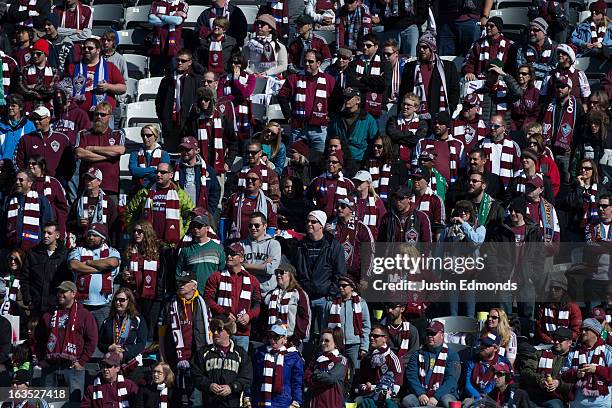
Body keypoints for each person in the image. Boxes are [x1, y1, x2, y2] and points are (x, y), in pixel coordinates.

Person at [36, 281, 98, 403]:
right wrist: (41, 358)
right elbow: (39, 338)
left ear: (73, 293)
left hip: (73, 367)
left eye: (64, 291)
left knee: (74, 403)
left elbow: (92, 340)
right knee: (48, 403)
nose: (60, 294)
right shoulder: (48, 315)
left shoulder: (84, 315)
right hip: (50, 366)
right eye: (59, 291)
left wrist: (82, 361)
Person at [293, 210, 346, 337]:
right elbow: (296, 269)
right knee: (304, 336)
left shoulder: (333, 246)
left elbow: (340, 273)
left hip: (324, 298)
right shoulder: (300, 246)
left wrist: (331, 294)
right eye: (308, 221)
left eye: (313, 222)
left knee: (325, 335)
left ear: (321, 225)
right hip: (305, 298)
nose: (309, 224)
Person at [204, 242, 261, 352]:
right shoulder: (216, 276)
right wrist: (224, 313)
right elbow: (207, 299)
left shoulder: (252, 280)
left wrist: (248, 315)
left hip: (242, 331)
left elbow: (257, 305)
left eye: (233, 254)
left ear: (241, 258)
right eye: (228, 253)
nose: (229, 256)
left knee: (239, 364)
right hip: (221, 329)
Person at [278, 49, 335, 153]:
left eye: (310, 61)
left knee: (318, 161)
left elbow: (337, 99)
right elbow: (282, 97)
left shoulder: (329, 80)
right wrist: (288, 117)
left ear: (318, 63)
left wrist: (330, 115)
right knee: (295, 161)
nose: (307, 64)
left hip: (319, 129)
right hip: (298, 128)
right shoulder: (294, 78)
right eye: (305, 61)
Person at [125, 162, 195, 245]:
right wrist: (133, 231)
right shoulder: (144, 193)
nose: (158, 174)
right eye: (157, 172)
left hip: (172, 245)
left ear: (171, 175)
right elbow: (129, 212)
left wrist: (183, 233)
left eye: (162, 172)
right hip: (148, 243)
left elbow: (192, 214)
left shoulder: (180, 194)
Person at [191, 316, 253, 408]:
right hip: (209, 404)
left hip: (232, 403)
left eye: (219, 329)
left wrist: (232, 387)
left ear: (228, 331)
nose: (215, 333)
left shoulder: (240, 353)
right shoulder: (203, 352)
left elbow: (247, 378)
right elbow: (195, 374)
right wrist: (209, 385)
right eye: (213, 329)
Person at [438, 200, 485, 317]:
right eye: (460, 211)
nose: (463, 213)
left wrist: (463, 224)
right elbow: (439, 249)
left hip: (470, 274)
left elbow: (476, 241)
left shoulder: (479, 228)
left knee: (470, 309)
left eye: (466, 211)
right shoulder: (448, 228)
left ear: (471, 213)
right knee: (452, 310)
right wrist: (437, 271)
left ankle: (470, 333)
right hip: (452, 273)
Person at [68, 223, 120, 327]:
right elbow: (74, 265)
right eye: (89, 235)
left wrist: (88, 263)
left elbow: (112, 263)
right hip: (82, 303)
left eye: (95, 235)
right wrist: (100, 269)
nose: (91, 237)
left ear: (103, 238)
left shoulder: (111, 251)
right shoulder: (78, 250)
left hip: (103, 304)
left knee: (103, 335)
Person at [398, 32, 459, 118]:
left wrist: (450, 109)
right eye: (420, 47)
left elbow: (454, 91)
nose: (421, 50)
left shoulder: (448, 67)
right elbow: (403, 92)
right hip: (415, 115)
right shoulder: (410, 67)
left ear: (432, 48)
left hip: (439, 115)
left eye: (425, 47)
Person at [158, 270, 212, 367]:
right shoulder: (169, 304)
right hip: (174, 356)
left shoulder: (203, 305)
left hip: (198, 356)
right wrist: (162, 356)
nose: (181, 285)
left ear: (194, 286)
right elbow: (161, 332)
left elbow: (209, 332)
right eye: (180, 282)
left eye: (185, 282)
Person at [74, 102, 126, 202]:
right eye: (96, 114)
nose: (98, 117)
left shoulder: (117, 134)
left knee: (110, 216)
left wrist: (92, 148)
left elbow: (119, 150)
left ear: (109, 117)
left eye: (102, 114)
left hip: (109, 186)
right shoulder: (83, 134)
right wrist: (107, 156)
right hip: (87, 187)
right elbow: (79, 153)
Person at [122, 220, 165, 341]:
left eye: (140, 231)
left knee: (151, 326)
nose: (136, 234)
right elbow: (124, 270)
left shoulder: (159, 250)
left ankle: (150, 354)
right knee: (137, 325)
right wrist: (123, 275)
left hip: (153, 295)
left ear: (147, 232)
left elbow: (163, 273)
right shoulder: (130, 249)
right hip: (135, 293)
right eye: (134, 231)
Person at [402, 321, 459, 408]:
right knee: (407, 401)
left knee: (447, 402)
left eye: (433, 333)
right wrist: (420, 393)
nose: (429, 336)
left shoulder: (452, 355)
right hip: (422, 393)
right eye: (428, 333)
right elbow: (411, 376)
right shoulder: (417, 354)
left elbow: (451, 380)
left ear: (442, 335)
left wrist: (436, 396)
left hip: (444, 394)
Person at [246, 322, 303, 408]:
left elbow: (297, 382)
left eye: (276, 337)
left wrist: (296, 401)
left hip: (283, 402)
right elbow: (253, 378)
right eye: (270, 336)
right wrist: (248, 396)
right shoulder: (260, 353)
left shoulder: (293, 357)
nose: (272, 340)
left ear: (284, 339)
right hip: (261, 400)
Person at [541, 75, 586, 184]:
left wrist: (572, 145)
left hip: (565, 151)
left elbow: (581, 128)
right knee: (545, 177)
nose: (560, 89)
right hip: (548, 148)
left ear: (569, 89)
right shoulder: (548, 104)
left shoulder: (577, 106)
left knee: (564, 179)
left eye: (563, 86)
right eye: (558, 86)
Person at [21, 221, 70, 318]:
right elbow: (24, 278)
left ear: (57, 235)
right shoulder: (33, 253)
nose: (45, 235)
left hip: (56, 306)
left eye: (49, 233)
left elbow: (69, 280)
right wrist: (28, 299)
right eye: (44, 232)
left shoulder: (64, 255)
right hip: (36, 306)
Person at [66, 37, 126, 116]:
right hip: (78, 114)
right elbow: (65, 86)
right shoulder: (73, 67)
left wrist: (108, 87)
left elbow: (123, 88)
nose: (86, 50)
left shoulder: (109, 67)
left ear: (98, 50)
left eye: (90, 48)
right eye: (84, 48)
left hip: (103, 115)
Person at [155, 48, 201, 152]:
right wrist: (164, 118)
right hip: (170, 124)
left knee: (188, 155)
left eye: (183, 61)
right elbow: (159, 102)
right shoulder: (167, 80)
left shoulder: (196, 80)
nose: (179, 63)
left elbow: (199, 101)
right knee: (171, 155)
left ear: (190, 62)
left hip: (189, 125)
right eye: (178, 60)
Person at [560, 318, 612, 408]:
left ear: (596, 332)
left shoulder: (607, 351)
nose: (582, 332)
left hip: (601, 404)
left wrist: (596, 369)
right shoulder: (574, 352)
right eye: (581, 329)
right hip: (576, 403)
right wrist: (576, 373)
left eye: (586, 329)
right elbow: (563, 375)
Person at [15, 106, 73, 180]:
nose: (36, 121)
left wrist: (63, 180)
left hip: (55, 184)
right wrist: (27, 178)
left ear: (48, 118)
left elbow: (70, 163)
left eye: (39, 118)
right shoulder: (26, 139)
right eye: (34, 119)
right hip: (32, 184)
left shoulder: (62, 139)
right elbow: (17, 161)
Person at [1, 169, 54, 251]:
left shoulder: (41, 200)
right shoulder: (8, 200)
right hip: (12, 250)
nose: (17, 182)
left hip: (35, 250)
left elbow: (48, 225)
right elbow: (3, 226)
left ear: (30, 183)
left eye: (21, 180)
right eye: (16, 180)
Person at [521, 326, 573, 408]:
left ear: (569, 342)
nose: (556, 342)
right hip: (535, 394)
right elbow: (525, 371)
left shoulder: (574, 358)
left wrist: (559, 383)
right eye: (555, 338)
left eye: (560, 340)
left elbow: (576, 383)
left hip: (557, 398)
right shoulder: (540, 353)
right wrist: (540, 380)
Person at [221, 168, 277, 241]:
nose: (250, 181)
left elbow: (272, 225)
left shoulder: (267, 202)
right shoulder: (234, 198)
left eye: (253, 179)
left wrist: (265, 241)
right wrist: (222, 240)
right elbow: (224, 219)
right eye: (247, 179)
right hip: (236, 241)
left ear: (260, 183)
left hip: (258, 243)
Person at [172, 135, 222, 218]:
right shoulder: (175, 169)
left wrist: (208, 211)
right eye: (182, 149)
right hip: (180, 215)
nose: (185, 152)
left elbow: (215, 191)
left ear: (197, 150)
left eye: (188, 149)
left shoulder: (208, 170)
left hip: (201, 215)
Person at [264, 262, 311, 348]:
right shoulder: (271, 294)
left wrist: (297, 338)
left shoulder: (299, 293)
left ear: (290, 275)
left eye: (281, 272)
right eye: (277, 272)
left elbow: (305, 317)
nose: (278, 275)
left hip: (291, 340)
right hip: (272, 340)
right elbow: (264, 317)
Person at [68, 167, 119, 246]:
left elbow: (113, 227)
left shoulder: (108, 202)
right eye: (86, 179)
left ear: (99, 181)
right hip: (83, 243)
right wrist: (78, 223)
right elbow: (69, 223)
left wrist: (113, 245)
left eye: (91, 179)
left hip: (103, 244)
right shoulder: (78, 201)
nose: (88, 182)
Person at [176, 212, 225, 292]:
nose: (196, 228)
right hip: (191, 295)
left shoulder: (218, 248)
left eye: (199, 226)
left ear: (207, 228)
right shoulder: (185, 249)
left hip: (212, 294)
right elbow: (178, 272)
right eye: (193, 226)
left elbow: (222, 272)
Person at [98, 288, 148, 366]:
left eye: (121, 300)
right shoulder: (108, 321)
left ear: (129, 301)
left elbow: (141, 344)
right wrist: (109, 347)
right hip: (111, 362)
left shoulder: (138, 320)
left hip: (132, 362)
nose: (118, 302)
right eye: (116, 299)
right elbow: (100, 343)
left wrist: (124, 353)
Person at [328, 87, 379, 162]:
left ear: (358, 100)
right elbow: (330, 137)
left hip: (359, 161)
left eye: (349, 98)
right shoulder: (337, 119)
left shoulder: (368, 119)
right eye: (345, 97)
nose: (346, 100)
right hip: (340, 161)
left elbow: (374, 141)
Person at [345, 33, 390, 119]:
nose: (365, 47)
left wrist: (362, 79)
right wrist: (375, 81)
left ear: (376, 47)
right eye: (363, 45)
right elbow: (351, 82)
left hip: (379, 107)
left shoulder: (385, 64)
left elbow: (384, 84)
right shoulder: (354, 63)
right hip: (359, 107)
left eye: (368, 45)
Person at [414, 111, 465, 185]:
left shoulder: (458, 144)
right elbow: (415, 165)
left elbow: (462, 169)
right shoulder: (422, 142)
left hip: (451, 188)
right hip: (428, 187)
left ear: (447, 125)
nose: (437, 125)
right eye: (435, 123)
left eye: (441, 123)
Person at [356, 325, 403, 404]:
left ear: (384, 339)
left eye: (375, 336)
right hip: (368, 396)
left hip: (388, 398)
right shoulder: (366, 358)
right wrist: (364, 387)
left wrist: (373, 387)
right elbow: (361, 382)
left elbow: (396, 387)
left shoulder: (393, 359)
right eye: (370, 335)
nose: (371, 338)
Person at [303, 328, 349, 408]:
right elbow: (306, 377)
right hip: (315, 403)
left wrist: (315, 374)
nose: (323, 343)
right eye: (321, 341)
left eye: (327, 341)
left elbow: (331, 378)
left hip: (332, 404)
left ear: (335, 343)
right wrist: (321, 377)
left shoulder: (341, 359)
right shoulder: (316, 358)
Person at [464, 333, 512, 406]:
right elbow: (468, 383)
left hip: (493, 399)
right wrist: (478, 397)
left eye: (487, 345)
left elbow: (506, 384)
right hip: (473, 397)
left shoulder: (503, 362)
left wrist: (485, 397)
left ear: (495, 348)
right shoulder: (472, 361)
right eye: (482, 343)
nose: (482, 347)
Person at [241, 211, 281, 297]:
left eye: (256, 225)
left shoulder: (273, 244)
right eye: (250, 225)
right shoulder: (241, 244)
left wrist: (246, 266)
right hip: (247, 291)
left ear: (265, 226)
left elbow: (271, 269)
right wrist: (263, 265)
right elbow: (237, 267)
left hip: (268, 293)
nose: (253, 228)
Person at [28, 155, 69, 239]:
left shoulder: (53, 183)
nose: (30, 165)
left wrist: (60, 228)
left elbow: (62, 208)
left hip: (50, 224)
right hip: (30, 224)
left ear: (42, 166)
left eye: (34, 163)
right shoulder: (25, 182)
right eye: (29, 163)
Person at [217, 53, 255, 143]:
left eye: (237, 63)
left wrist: (236, 80)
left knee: (244, 144)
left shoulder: (250, 77)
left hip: (243, 115)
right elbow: (220, 98)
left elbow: (245, 94)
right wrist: (233, 97)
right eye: (232, 62)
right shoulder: (224, 78)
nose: (234, 65)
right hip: (228, 113)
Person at [472, 59, 523, 125]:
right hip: (482, 130)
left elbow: (518, 93)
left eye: (493, 72)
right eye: (488, 72)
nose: (490, 75)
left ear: (499, 74)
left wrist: (505, 75)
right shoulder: (478, 91)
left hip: (501, 130)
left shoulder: (506, 92)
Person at [307, 150, 356, 218]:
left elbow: (353, 203)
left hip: (339, 221)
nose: (330, 164)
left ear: (340, 165)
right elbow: (306, 198)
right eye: (328, 162)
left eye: (334, 162)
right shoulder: (318, 180)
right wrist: (315, 210)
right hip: (321, 220)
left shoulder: (347, 183)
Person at [477, 114, 521, 188]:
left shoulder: (513, 146)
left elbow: (517, 170)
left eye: (496, 126)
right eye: (490, 125)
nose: (492, 128)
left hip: (505, 187)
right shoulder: (481, 144)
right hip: (485, 185)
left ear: (504, 128)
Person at [535, 276, 583, 344]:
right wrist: (550, 340)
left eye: (557, 288)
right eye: (551, 288)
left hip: (566, 344)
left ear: (563, 291)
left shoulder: (573, 307)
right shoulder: (544, 306)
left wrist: (563, 341)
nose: (553, 290)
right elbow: (539, 328)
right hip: (547, 342)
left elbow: (576, 331)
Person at [16, 39, 59, 112]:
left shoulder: (54, 71)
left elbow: (52, 90)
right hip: (29, 108)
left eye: (38, 54)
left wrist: (33, 86)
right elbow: (21, 89)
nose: (35, 56)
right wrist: (44, 88)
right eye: (33, 54)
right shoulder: (25, 70)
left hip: (48, 108)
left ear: (45, 54)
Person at [386, 93, 428, 167]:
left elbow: (417, 140)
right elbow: (392, 135)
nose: (405, 107)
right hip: (395, 161)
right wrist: (409, 134)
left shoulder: (422, 123)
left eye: (408, 105)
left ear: (416, 108)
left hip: (414, 162)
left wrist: (398, 138)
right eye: (404, 104)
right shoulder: (393, 120)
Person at [584, 194, 612, 308]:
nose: (600, 209)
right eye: (599, 205)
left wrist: (601, 242)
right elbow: (591, 246)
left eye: (604, 206)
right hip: (595, 279)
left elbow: (597, 245)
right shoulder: (591, 225)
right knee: (594, 316)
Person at [147, 0, 189, 76]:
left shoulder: (182, 4)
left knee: (173, 76)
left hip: (173, 47)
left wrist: (161, 16)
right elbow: (151, 19)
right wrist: (170, 19)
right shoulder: (156, 2)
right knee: (155, 76)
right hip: (157, 47)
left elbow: (177, 21)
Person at [517, 17, 557, 89]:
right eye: (530, 30)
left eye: (535, 30)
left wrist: (533, 66)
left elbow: (554, 70)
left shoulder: (555, 48)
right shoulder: (523, 47)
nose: (531, 32)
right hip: (528, 85)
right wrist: (543, 69)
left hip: (547, 85)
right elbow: (521, 68)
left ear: (544, 32)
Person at [128, 124, 170, 189]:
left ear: (155, 136)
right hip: (138, 188)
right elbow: (133, 171)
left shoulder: (164, 154)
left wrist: (141, 172)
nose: (145, 137)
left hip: (157, 188)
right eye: (143, 135)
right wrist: (154, 170)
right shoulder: (135, 153)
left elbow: (163, 173)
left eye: (148, 135)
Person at [380, 303, 420, 367]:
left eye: (393, 307)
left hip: (404, 367)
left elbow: (414, 353)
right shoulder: (380, 329)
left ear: (402, 309)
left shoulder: (411, 330)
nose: (389, 310)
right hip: (383, 365)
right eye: (388, 307)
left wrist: (397, 362)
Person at [411, 166, 446, 237]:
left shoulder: (435, 200)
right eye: (414, 178)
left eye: (419, 178)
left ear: (427, 181)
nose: (415, 181)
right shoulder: (407, 198)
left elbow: (439, 227)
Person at [0, 95, 35, 162]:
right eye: (9, 105)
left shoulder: (29, 126)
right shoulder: (1, 124)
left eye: (13, 105)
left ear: (21, 108)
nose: (10, 108)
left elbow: (33, 148)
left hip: (22, 166)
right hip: (3, 165)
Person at [511, 64, 540, 131]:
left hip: (528, 127)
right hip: (512, 126)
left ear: (530, 76)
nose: (520, 76)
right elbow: (508, 112)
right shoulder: (511, 91)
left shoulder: (536, 93)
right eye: (519, 73)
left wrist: (526, 125)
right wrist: (513, 127)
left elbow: (536, 113)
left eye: (524, 74)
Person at [325, 47, 353, 115]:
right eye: (339, 57)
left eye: (344, 58)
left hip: (346, 101)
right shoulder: (329, 69)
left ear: (349, 59)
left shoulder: (352, 71)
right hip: (332, 101)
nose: (341, 60)